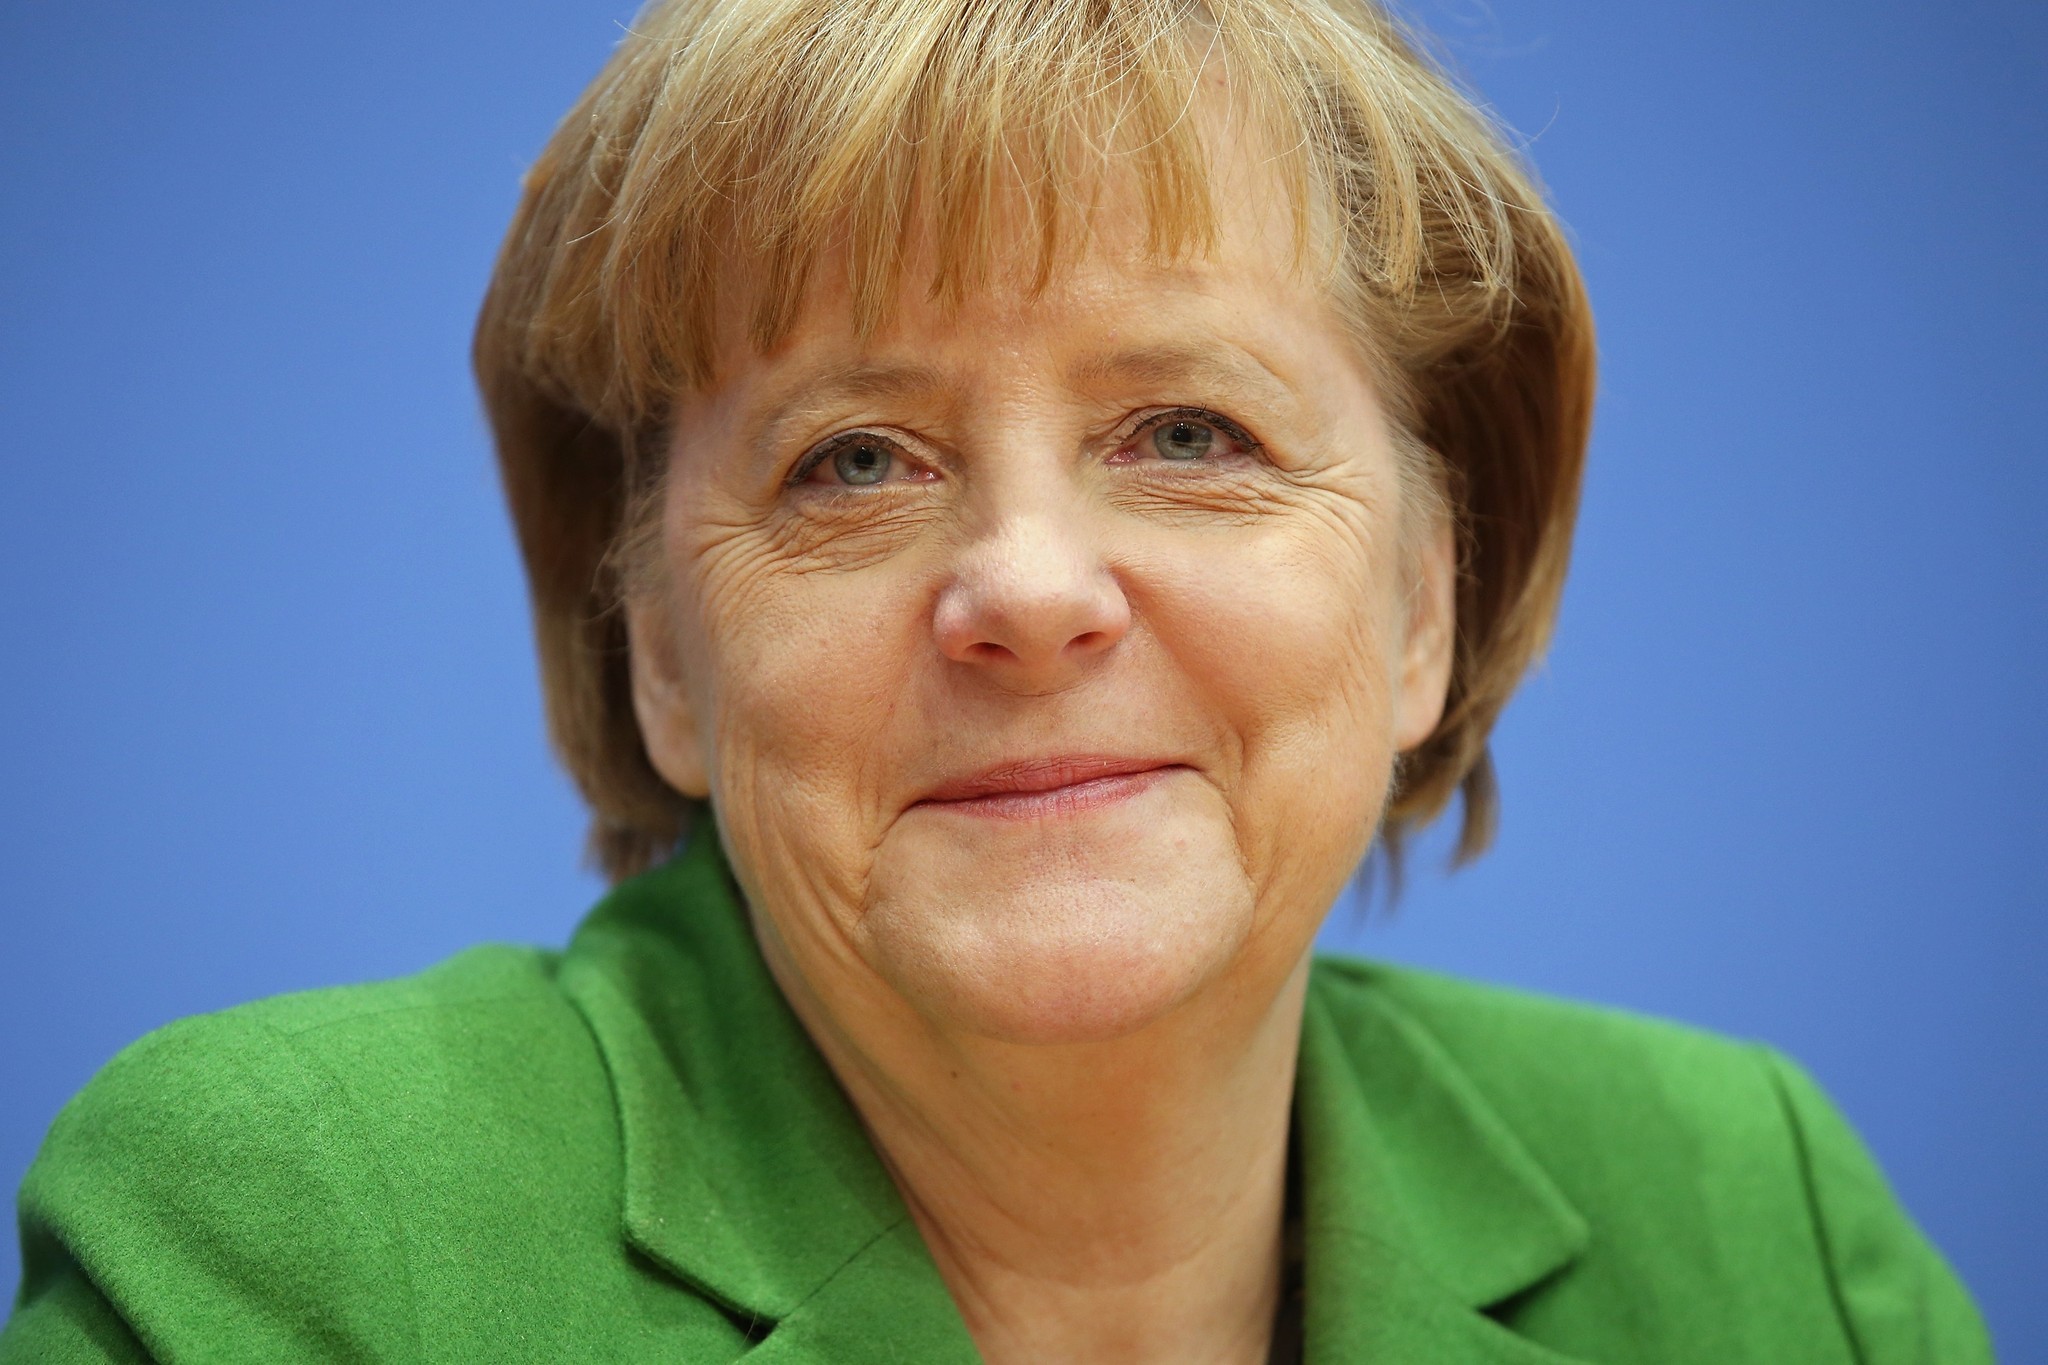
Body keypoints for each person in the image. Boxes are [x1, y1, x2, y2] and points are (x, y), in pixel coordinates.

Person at [1, 0, 1993, 1360]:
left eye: (1188, 431)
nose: (1028, 591)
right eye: (852, 459)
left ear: (1421, 604)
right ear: (664, 655)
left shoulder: (1755, 1214)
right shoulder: (300, 1223)